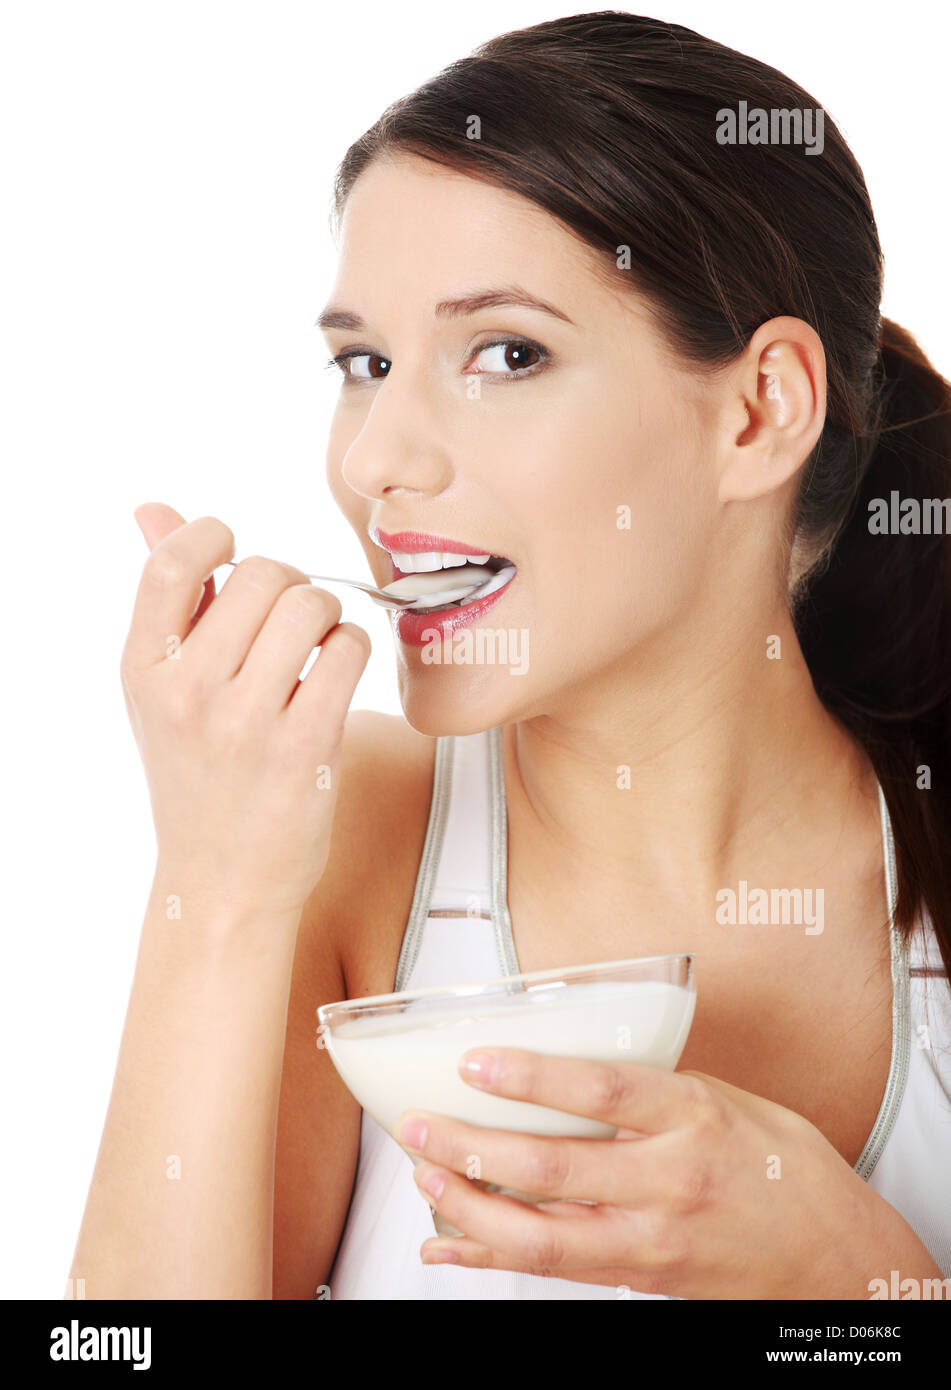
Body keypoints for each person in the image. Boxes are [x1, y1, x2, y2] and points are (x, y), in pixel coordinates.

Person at [69, 13, 951, 1300]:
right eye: (364, 362)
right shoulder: (346, 847)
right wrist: (217, 885)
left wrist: (864, 1280)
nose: (376, 460)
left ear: (760, 411)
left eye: (506, 353)